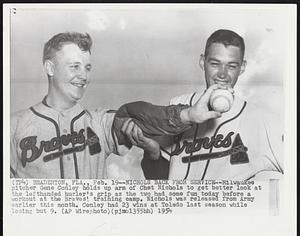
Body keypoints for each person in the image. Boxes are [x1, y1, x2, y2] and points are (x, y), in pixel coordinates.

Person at [10, 31, 223, 179]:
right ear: (50, 67)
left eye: (87, 67)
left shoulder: (99, 123)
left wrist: (189, 115)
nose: (83, 76)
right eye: (74, 66)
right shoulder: (13, 126)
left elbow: (137, 114)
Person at [140, 29, 284, 180]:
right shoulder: (177, 106)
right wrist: (153, 154)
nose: (222, 73)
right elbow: (158, 181)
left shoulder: (261, 120)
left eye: (232, 66)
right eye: (215, 63)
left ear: (242, 67)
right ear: (203, 62)